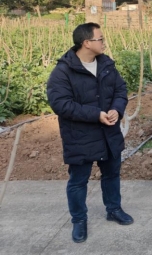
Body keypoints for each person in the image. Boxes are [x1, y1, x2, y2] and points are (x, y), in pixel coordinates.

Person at [47, 23, 133, 244]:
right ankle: (79, 219)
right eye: (100, 39)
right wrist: (96, 114)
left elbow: (120, 90)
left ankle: (114, 209)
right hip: (80, 136)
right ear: (86, 43)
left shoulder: (106, 65)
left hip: (108, 133)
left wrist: (116, 109)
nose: (104, 42)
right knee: (78, 181)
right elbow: (61, 104)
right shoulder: (63, 71)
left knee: (112, 174)